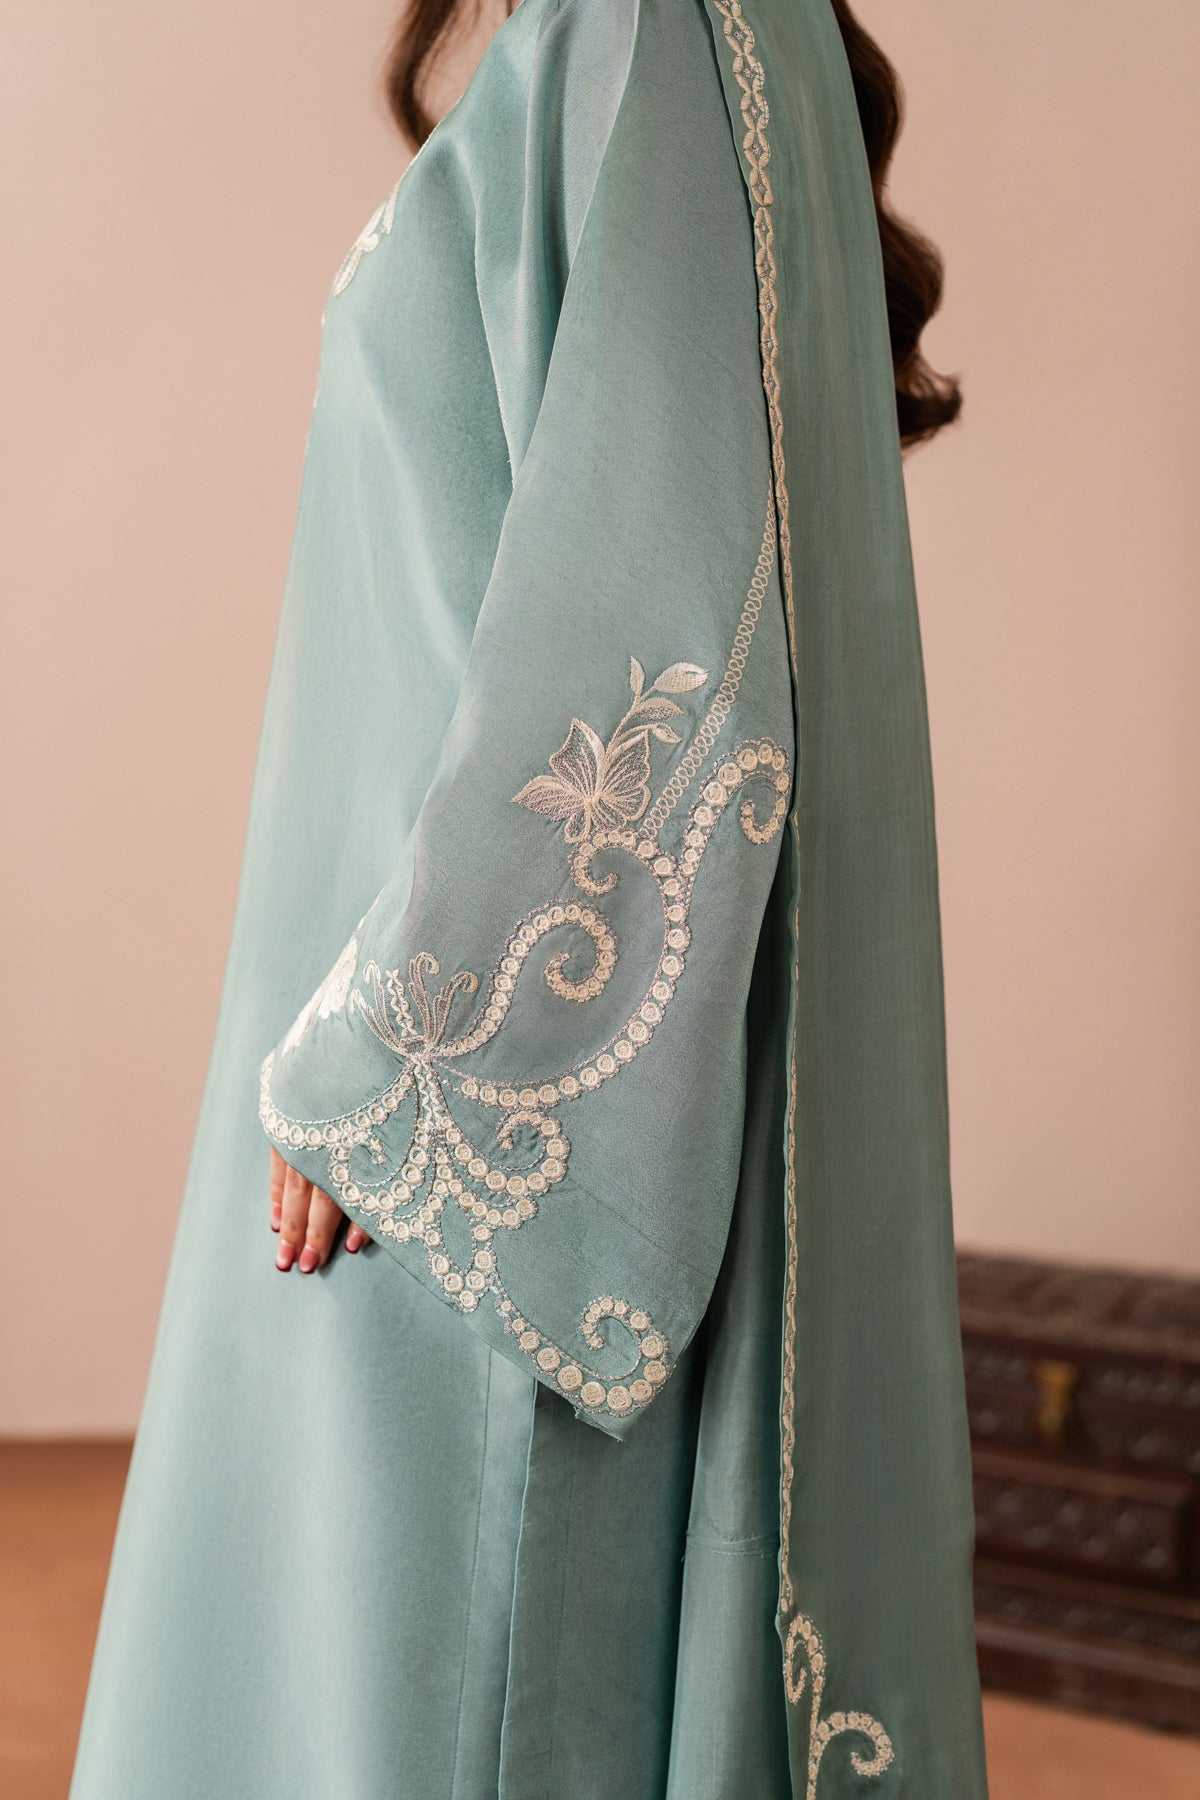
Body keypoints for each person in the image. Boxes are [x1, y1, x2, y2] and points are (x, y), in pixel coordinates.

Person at [70, 1, 989, 1794]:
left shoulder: (643, 21)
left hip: (454, 1162)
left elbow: (663, 602)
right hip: (385, 1102)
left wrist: (415, 1060)